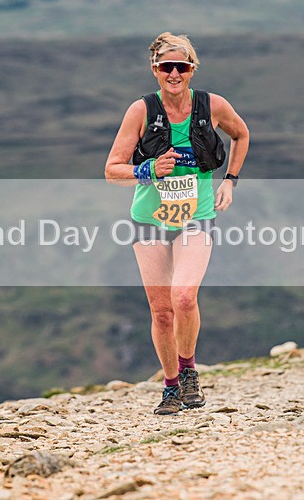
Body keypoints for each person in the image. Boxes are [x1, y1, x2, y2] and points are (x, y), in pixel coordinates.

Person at [105, 32, 250, 415]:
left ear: (191, 70)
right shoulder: (141, 111)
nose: (174, 73)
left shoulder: (212, 106)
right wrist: (148, 168)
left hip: (196, 218)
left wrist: (230, 182)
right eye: (166, 66)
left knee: (184, 296)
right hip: (149, 221)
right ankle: (170, 388)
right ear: (155, 71)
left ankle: (188, 373)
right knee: (161, 310)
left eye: (181, 66)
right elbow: (111, 170)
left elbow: (241, 133)